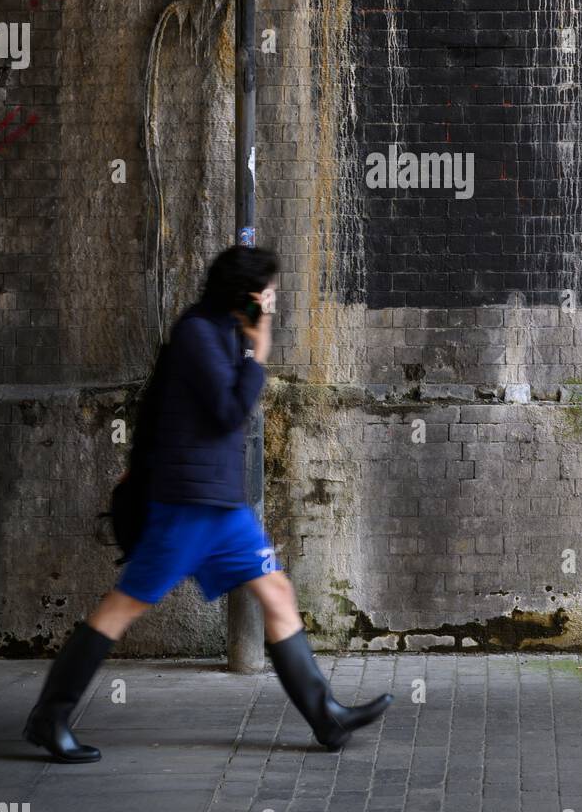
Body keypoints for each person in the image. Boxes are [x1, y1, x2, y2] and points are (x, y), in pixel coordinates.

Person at [23, 245, 392, 764]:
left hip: (222, 507)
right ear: (248, 295)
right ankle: (49, 718)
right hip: (189, 504)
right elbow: (226, 412)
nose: (275, 299)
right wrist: (259, 353)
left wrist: (249, 347)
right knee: (125, 604)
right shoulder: (198, 332)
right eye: (269, 291)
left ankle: (326, 717)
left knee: (278, 591)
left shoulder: (224, 332)